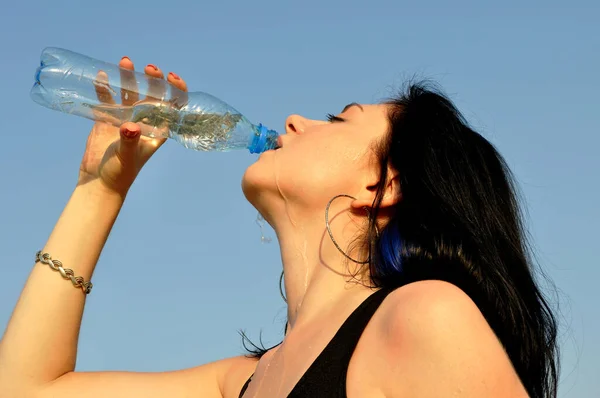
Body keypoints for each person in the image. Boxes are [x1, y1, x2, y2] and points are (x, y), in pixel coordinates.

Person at [0, 55, 559, 398]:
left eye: (340, 120)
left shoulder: (423, 317)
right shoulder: (244, 382)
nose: (295, 120)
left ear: (381, 188)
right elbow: (24, 389)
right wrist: (100, 188)